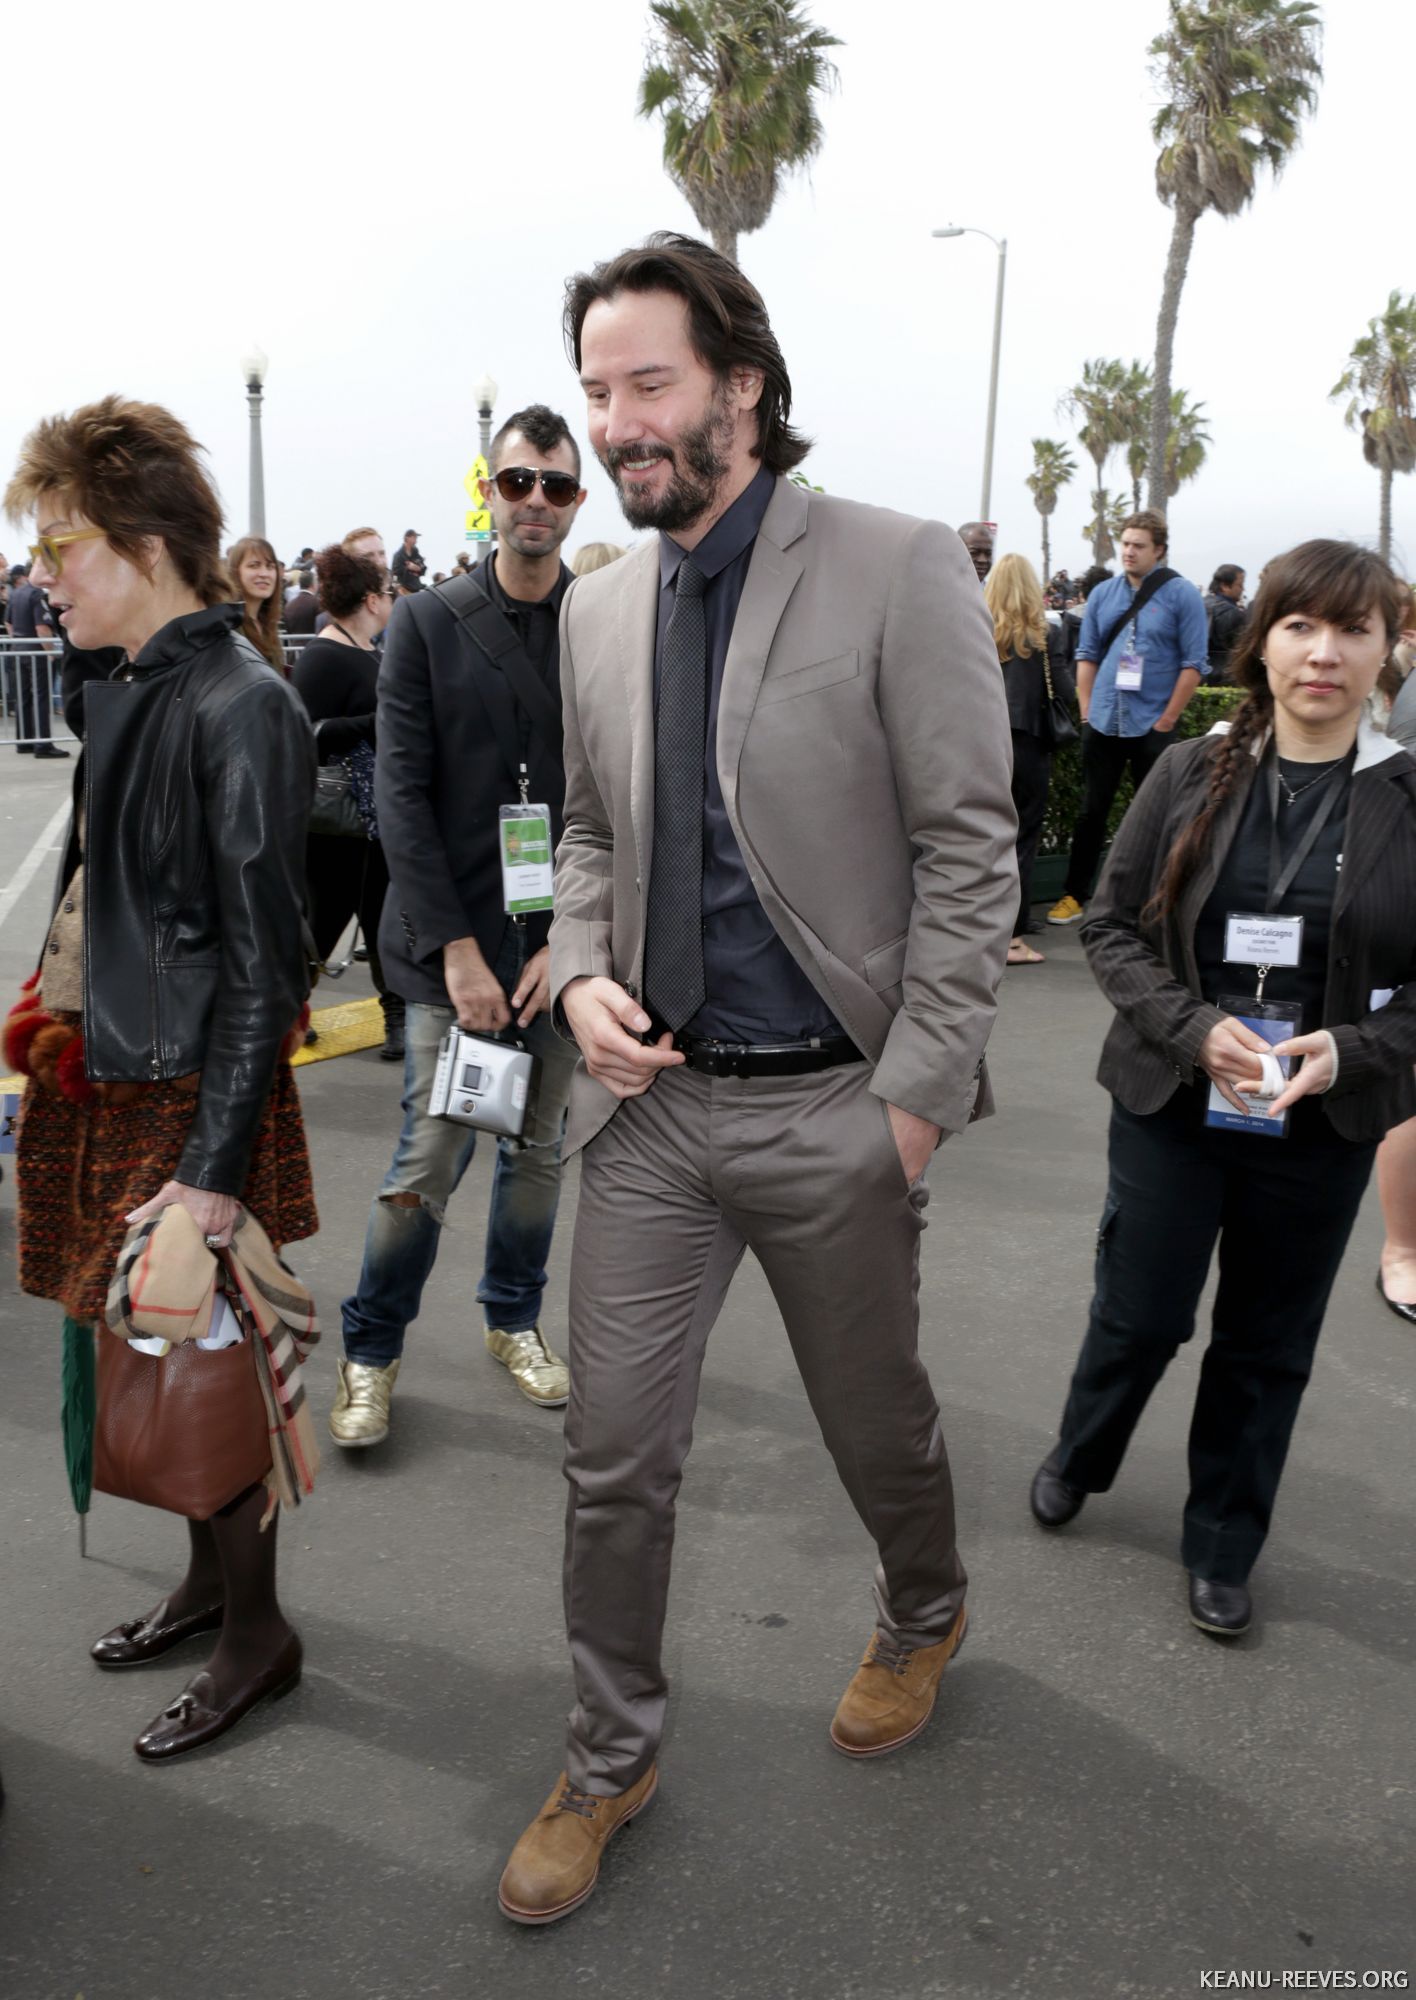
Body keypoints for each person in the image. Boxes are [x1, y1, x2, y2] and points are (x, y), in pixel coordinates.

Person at [496, 233, 1016, 1926]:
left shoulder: (893, 563)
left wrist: (915, 1097)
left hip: (829, 1105)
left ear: (743, 383)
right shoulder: (596, 605)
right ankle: (605, 1756)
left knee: (876, 1427)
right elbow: (582, 834)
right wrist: (575, 979)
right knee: (613, 1462)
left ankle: (924, 1606)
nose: (618, 425)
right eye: (596, 394)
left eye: (648, 384)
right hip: (648, 1114)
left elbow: (965, 847)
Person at [4, 395, 317, 1757]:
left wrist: (207, 1173)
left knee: (204, 1372)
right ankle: (208, 1589)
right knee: (152, 1361)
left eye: (60, 545)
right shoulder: (126, 689)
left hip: (197, 1094)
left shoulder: (243, 704)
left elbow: (267, 965)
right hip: (114, 1075)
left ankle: (261, 1635)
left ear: (138, 544)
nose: (42, 574)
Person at [1029, 540, 1416, 1639]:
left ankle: (1223, 1540)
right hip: (1173, 1101)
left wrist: (1346, 1051)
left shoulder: (1407, 794)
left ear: (1388, 648)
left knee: (1266, 1340)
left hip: (1321, 1121)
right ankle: (1082, 1448)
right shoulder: (1188, 771)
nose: (1325, 653)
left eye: (1355, 629)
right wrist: (1198, 1031)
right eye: (1301, 626)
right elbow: (1107, 927)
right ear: (1265, 644)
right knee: (1140, 1313)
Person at [332, 404, 588, 1449]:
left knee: (536, 1153)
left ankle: (513, 1319)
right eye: (518, 481)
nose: (536, 501)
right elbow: (400, 796)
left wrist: (575, 944)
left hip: (558, 951)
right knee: (428, 1157)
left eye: (557, 486)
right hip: (453, 952)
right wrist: (459, 952)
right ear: (491, 491)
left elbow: (612, 804)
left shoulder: (599, 621)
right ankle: (371, 1349)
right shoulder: (430, 621)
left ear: (578, 502)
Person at [1047, 511, 1209, 926]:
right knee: (1090, 812)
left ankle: (1154, 902)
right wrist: (1087, 712)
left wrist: (1167, 721)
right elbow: (1086, 656)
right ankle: (1074, 895)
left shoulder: (1181, 595)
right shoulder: (1103, 595)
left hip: (1152, 723)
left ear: (1159, 550)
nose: (1129, 552)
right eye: (1126, 544)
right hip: (1102, 720)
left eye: (1139, 545)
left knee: (1156, 815)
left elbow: (1194, 664)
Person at [291, 544, 402, 1062]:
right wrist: (376, 724)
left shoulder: (368, 651)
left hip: (373, 818)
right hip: (334, 826)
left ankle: (397, 1016)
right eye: (388, 592)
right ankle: (281, 1013)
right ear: (370, 599)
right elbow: (304, 738)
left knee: (385, 923)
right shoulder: (323, 655)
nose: (393, 600)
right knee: (321, 925)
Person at [986, 554, 1075, 964]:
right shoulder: (1045, 635)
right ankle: (1012, 939)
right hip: (1028, 745)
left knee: (979, 838)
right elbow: (1065, 691)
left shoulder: (976, 627)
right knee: (1021, 840)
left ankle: (977, 934)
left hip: (980, 743)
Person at [5, 559, 67, 757]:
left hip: (18, 649)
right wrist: (49, 652)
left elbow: (9, 624)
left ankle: (24, 742)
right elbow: (42, 628)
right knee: (41, 697)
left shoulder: (17, 593)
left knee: (23, 697)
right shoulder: (37, 594)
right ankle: (43, 745)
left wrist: (18, 641)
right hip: (35, 650)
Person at [227, 535, 285, 672]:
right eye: (254, 566)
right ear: (236, 572)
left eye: (270, 566)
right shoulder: (228, 627)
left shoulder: (267, 624)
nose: (264, 573)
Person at [1204, 564, 1248, 684]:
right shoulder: (1232, 613)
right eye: (1240, 585)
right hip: (1224, 676)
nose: (1243, 589)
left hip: (1199, 673)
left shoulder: (1199, 605)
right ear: (1225, 586)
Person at [284, 567, 320, 636]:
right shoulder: (317, 603)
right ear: (313, 584)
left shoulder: (289, 605)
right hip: (313, 643)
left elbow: (288, 629)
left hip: (293, 645)